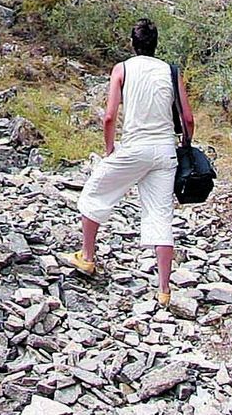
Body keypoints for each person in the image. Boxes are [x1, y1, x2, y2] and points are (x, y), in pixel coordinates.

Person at [65, 17, 195, 305]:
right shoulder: (171, 71)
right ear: (156, 44)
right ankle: (163, 290)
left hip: (135, 146)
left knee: (95, 192)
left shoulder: (122, 69)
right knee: (160, 216)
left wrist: (111, 147)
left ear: (132, 43)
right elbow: (187, 118)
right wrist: (184, 146)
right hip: (165, 151)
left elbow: (110, 116)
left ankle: (87, 257)